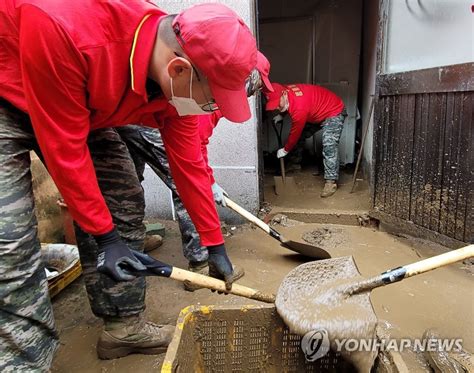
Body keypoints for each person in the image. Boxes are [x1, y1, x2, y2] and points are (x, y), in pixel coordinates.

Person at [0, 1, 257, 370]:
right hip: (9, 92)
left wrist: (212, 242)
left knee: (120, 199)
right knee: (9, 245)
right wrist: (105, 238)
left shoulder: (176, 92)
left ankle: (123, 327)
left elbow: (188, 168)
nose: (212, 109)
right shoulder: (68, 26)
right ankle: (22, 363)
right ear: (179, 69)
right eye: (213, 99)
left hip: (81, 104)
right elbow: (63, 147)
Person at [118, 52, 274, 291]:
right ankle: (201, 264)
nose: (253, 93)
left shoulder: (217, 93)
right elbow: (194, 150)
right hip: (147, 123)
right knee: (186, 190)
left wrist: (210, 181)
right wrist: (208, 182)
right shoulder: (209, 96)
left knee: (129, 185)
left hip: (129, 119)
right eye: (254, 86)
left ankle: (132, 244)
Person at [265, 83, 347, 197]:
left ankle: (331, 182)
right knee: (302, 135)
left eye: (277, 104)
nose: (277, 108)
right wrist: (281, 115)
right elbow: (288, 104)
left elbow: (295, 133)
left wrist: (285, 150)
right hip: (317, 112)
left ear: (284, 94)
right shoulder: (287, 91)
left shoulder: (299, 109)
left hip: (334, 111)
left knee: (329, 145)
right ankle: (295, 163)